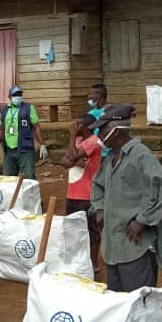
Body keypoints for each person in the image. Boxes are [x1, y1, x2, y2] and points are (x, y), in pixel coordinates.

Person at [91, 114, 162, 292]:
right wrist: (99, 208)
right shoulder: (111, 158)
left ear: (116, 132)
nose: (99, 136)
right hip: (113, 246)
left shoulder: (141, 155)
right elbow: (97, 184)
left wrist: (143, 219)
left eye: (102, 131)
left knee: (139, 303)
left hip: (135, 246)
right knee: (118, 304)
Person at [62, 114, 103, 273]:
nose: (73, 126)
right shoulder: (79, 142)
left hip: (87, 194)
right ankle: (79, 260)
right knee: (74, 229)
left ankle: (94, 264)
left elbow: (70, 157)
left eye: (76, 124)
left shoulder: (93, 142)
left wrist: (72, 138)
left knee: (91, 230)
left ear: (84, 127)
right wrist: (73, 160)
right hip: (72, 193)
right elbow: (64, 160)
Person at [0, 85, 48, 179]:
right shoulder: (4, 110)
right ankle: (14, 194)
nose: (18, 97)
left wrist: (42, 144)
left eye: (19, 94)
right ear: (10, 97)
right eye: (15, 95)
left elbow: (36, 127)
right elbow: (1, 129)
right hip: (9, 150)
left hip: (25, 150)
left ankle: (30, 194)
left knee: (29, 177)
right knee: (8, 178)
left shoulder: (29, 108)